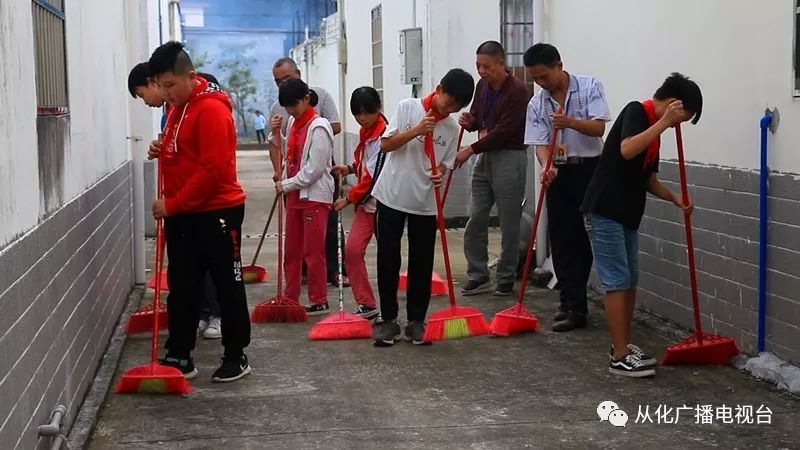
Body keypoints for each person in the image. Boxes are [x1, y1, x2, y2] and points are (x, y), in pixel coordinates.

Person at [581, 72, 701, 377]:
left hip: (627, 215)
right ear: (673, 104)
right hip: (605, 210)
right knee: (617, 281)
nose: (677, 126)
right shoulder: (638, 111)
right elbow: (626, 149)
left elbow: (647, 178)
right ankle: (619, 356)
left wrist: (674, 197)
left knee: (630, 279)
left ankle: (623, 345)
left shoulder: (655, 134)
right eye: (680, 118)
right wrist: (663, 123)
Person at [146, 41, 251, 383]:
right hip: (184, 216)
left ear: (189, 76)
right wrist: (163, 149)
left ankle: (236, 354)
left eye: (170, 85)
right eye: (160, 86)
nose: (165, 93)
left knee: (226, 284)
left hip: (217, 212)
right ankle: (179, 353)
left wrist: (172, 204)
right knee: (183, 285)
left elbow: (212, 171)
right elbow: (184, 152)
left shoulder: (211, 110)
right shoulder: (178, 107)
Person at [371, 69, 475, 346]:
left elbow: (445, 163)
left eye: (456, 107)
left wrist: (439, 171)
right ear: (438, 89)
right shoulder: (408, 108)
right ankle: (389, 319)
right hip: (392, 195)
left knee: (422, 261)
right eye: (448, 102)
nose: (449, 109)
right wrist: (417, 130)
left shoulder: (452, 129)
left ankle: (416, 321)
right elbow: (386, 145)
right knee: (388, 257)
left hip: (426, 202)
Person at [127, 63, 225, 340]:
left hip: (203, 199)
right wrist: (161, 148)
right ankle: (202, 314)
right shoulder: (168, 112)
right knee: (188, 267)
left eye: (141, 92)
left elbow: (208, 161)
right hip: (180, 198)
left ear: (153, 81)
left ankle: (216, 314)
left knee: (208, 263)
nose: (144, 101)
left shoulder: (202, 102)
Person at [523, 43, 611, 332]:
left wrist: (569, 122)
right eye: (535, 79)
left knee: (585, 238)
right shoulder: (537, 104)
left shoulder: (589, 87)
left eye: (544, 76)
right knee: (561, 238)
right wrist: (547, 166)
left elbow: (599, 128)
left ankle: (576, 302)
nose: (541, 83)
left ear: (559, 65)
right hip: (559, 172)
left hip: (590, 170)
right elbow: (540, 144)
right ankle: (570, 303)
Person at [455, 41, 531, 297]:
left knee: (509, 222)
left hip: (509, 155)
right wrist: (470, 121)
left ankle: (506, 277)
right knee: (476, 216)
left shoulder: (518, 91)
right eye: (478, 65)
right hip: (484, 154)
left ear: (501, 63)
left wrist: (470, 150)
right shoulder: (482, 86)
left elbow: (504, 132)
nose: (482, 71)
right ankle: (478, 274)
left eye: (486, 66)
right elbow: (478, 117)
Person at [268, 57, 348, 287]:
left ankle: (332, 275)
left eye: (286, 78)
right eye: (277, 81)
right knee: (295, 239)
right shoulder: (286, 115)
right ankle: (300, 279)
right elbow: (281, 146)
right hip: (294, 181)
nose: (291, 110)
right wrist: (279, 173)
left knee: (326, 232)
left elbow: (314, 164)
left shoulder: (319, 106)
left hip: (315, 184)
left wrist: (311, 135)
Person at [271, 78, 335, 315]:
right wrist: (275, 133)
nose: (290, 110)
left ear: (307, 99)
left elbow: (314, 169)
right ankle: (290, 297)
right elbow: (290, 152)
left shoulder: (320, 126)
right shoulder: (292, 123)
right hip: (295, 195)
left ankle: (319, 299)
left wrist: (286, 184)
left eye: (294, 105)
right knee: (292, 251)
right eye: (287, 107)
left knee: (312, 251)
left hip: (315, 197)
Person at [331, 87, 387, 320]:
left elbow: (372, 177)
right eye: (357, 114)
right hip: (366, 207)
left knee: (388, 258)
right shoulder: (366, 132)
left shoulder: (385, 136)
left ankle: (390, 310)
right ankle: (367, 304)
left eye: (367, 113)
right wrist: (349, 168)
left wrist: (348, 198)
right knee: (352, 252)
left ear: (378, 109)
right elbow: (363, 163)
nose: (362, 118)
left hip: (385, 206)